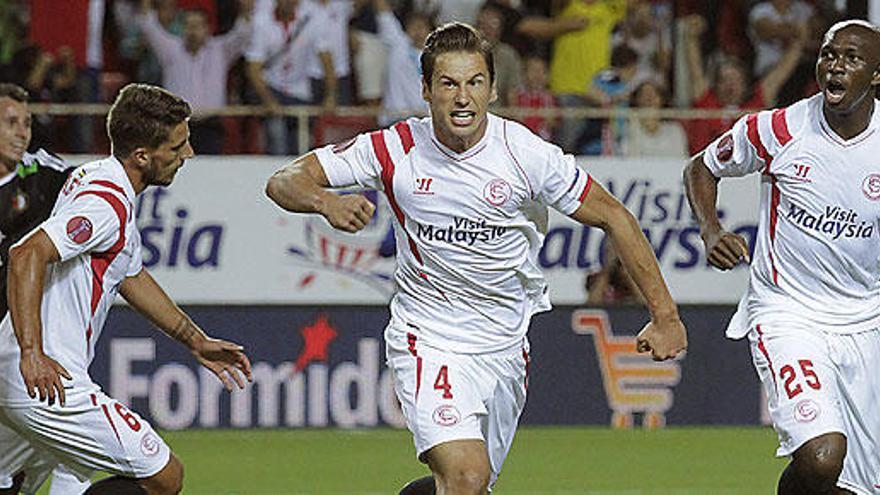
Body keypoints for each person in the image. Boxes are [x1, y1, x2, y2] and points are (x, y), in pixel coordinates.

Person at [266, 22, 687, 495]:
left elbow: (616, 217)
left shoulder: (526, 154)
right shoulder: (395, 147)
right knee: (467, 476)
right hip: (429, 337)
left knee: (468, 486)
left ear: (491, 88)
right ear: (426, 90)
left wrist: (665, 315)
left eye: (474, 82)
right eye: (448, 84)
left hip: (505, 346)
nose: (462, 97)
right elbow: (284, 179)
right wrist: (327, 202)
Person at [0, 83, 253, 495]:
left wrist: (194, 339)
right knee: (164, 477)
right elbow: (26, 254)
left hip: (17, 373)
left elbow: (130, 274)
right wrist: (33, 352)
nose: (187, 155)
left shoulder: (97, 181)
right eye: (177, 147)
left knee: (39, 477)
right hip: (44, 377)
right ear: (142, 156)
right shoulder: (106, 203)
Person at [683, 20, 880, 495]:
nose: (835, 67)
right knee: (822, 456)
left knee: (860, 486)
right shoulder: (778, 128)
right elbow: (701, 168)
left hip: (866, 321)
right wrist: (710, 231)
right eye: (829, 55)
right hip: (788, 313)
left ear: (877, 75)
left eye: (852, 59)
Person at [0, 83, 92, 495]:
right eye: (11, 123)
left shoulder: (45, 176)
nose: (22, 132)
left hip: (23, 350)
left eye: (27, 123)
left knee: (75, 456)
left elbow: (92, 192)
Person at [137, 0, 254, 154]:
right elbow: (149, 25)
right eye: (188, 25)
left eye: (197, 26)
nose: (192, 31)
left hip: (211, 125)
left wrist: (245, 8)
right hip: (178, 125)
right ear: (182, 28)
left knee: (209, 173)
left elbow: (243, 32)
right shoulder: (170, 49)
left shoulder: (221, 50)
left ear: (207, 28)